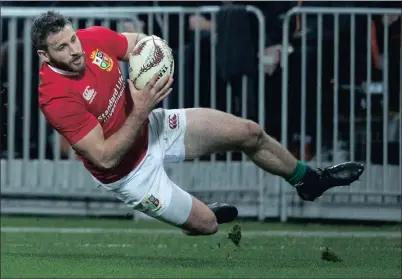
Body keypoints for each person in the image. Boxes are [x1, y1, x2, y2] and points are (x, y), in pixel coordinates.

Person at [33, 11, 364, 236]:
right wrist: (141, 107)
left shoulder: (91, 40)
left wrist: (156, 58)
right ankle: (195, 217)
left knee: (249, 132)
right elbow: (105, 156)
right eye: (62, 47)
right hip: (129, 174)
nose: (75, 50)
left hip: (154, 127)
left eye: (73, 39)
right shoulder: (55, 98)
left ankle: (309, 181)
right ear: (44, 56)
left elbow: (138, 43)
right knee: (208, 226)